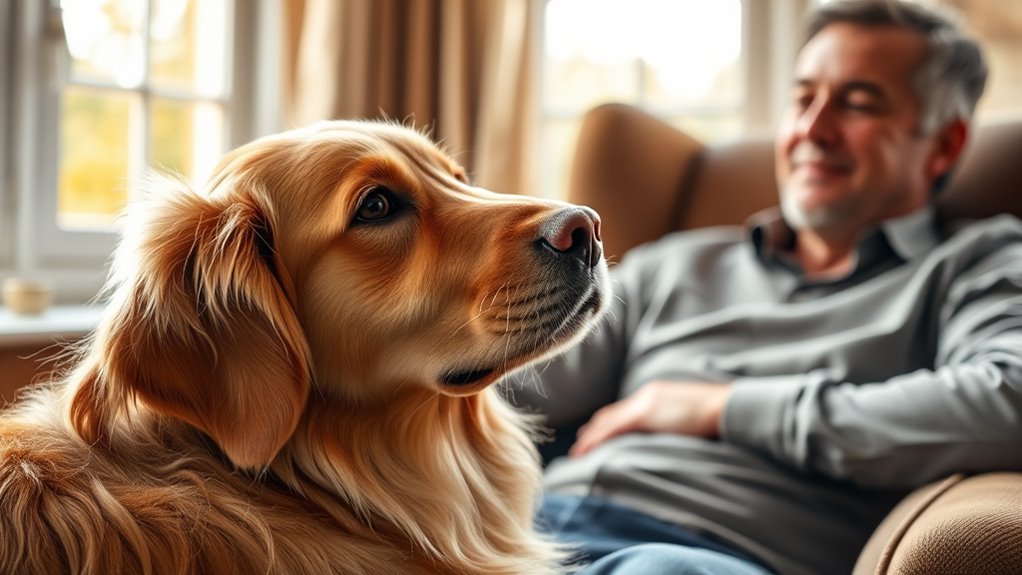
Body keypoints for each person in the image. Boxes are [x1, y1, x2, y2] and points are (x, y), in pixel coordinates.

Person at [507, 1, 1022, 573]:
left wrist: (722, 408)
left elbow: (1008, 402)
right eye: (803, 99)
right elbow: (511, 388)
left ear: (944, 145)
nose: (812, 130)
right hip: (524, 530)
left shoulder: (977, 264)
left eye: (857, 103)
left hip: (712, 555)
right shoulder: (672, 264)